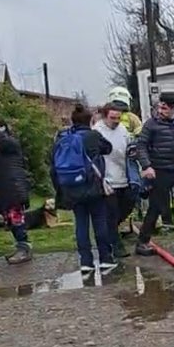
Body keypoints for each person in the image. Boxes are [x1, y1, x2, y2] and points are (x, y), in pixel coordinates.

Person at [52, 104, 115, 274]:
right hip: (93, 186)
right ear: (90, 120)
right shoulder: (93, 136)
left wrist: (60, 190)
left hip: (72, 188)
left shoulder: (63, 138)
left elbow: (54, 165)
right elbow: (108, 148)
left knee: (81, 224)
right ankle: (105, 258)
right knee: (100, 222)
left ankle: (85, 261)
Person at [133, 95, 174, 255]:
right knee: (156, 206)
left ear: (173, 109)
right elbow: (140, 145)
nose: (160, 111)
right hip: (160, 169)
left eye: (164, 108)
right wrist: (147, 166)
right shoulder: (151, 124)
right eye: (159, 107)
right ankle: (142, 242)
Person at [0, 118, 33, 264]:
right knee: (11, 222)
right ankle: (20, 247)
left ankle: (24, 249)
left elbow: (3, 141)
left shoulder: (10, 143)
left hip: (13, 189)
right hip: (4, 192)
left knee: (17, 221)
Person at [93, 102, 137, 258]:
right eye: (113, 118)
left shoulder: (123, 129)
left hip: (124, 177)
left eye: (118, 118)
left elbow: (128, 148)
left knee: (127, 206)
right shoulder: (97, 131)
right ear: (105, 116)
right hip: (107, 180)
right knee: (111, 213)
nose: (116, 121)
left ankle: (108, 230)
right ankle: (116, 245)